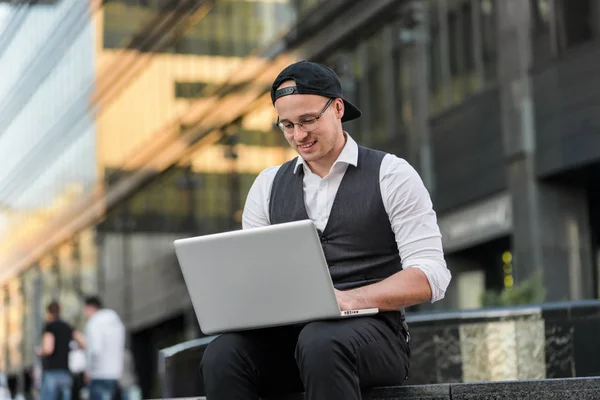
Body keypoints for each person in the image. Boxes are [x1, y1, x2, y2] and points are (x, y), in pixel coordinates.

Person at [200, 60, 452, 400]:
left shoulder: (391, 174)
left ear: (337, 108)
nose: (298, 136)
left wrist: (348, 300)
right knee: (223, 354)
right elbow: (257, 280)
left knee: (321, 342)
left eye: (307, 120)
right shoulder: (266, 186)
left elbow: (431, 275)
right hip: (292, 340)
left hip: (375, 338)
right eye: (287, 125)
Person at [82, 296, 126, 400]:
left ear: (90, 307)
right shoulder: (116, 321)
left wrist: (89, 370)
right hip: (115, 373)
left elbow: (95, 349)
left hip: (98, 374)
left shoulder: (94, 322)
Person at [38, 301, 83, 400]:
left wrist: (40, 352)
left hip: (51, 372)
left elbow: (48, 349)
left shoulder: (49, 327)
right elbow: (83, 342)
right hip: (65, 373)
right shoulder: (67, 326)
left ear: (48, 313)